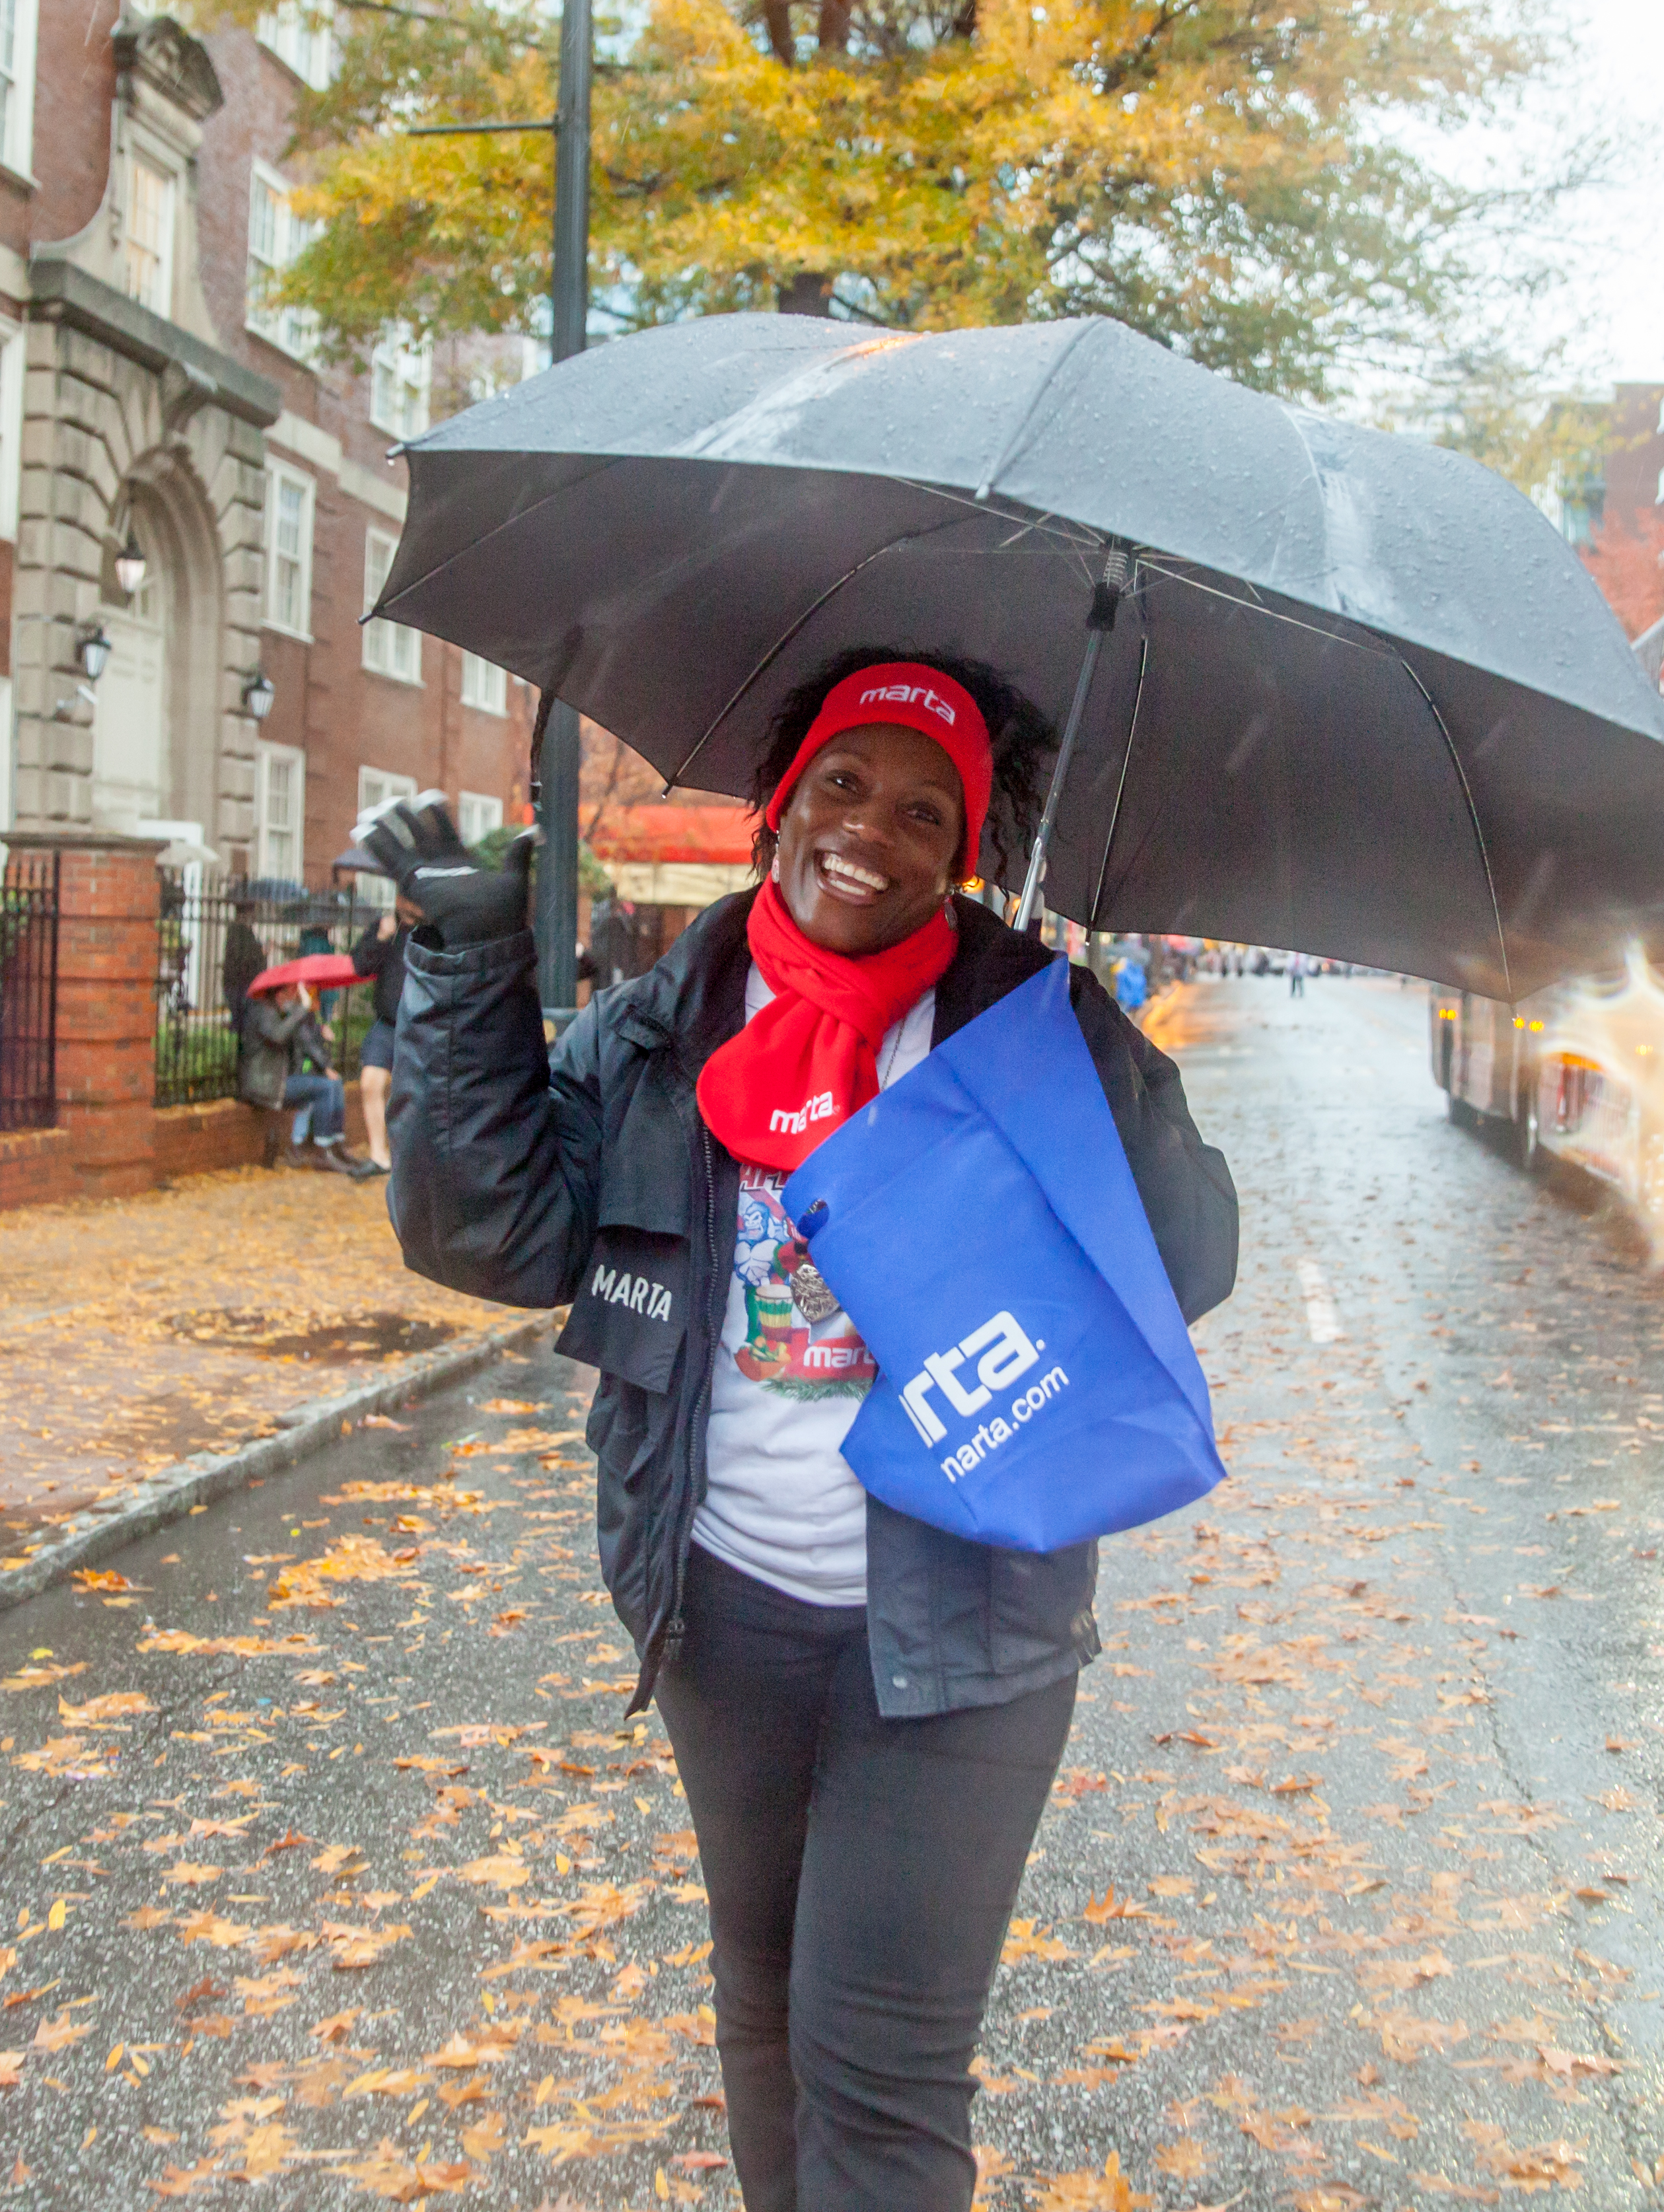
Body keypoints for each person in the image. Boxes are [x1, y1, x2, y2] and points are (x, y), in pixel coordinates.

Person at [366, 652, 1236, 2211]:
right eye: (842, 782)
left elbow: (1193, 1264)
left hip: (964, 1629)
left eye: (923, 809)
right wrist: (461, 963)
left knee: (884, 2074)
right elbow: (485, 1235)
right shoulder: (667, 1024)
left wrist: (1093, 1060)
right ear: (778, 805)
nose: (870, 830)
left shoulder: (1018, 1021)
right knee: (762, 2009)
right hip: (723, 1612)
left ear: (960, 851)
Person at [238, 979, 376, 1177]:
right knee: (325, 1089)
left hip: (278, 1081)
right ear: (280, 993)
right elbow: (278, 1035)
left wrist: (318, 1028)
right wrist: (302, 1009)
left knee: (334, 1084)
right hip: (266, 1086)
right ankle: (322, 1151)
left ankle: (336, 1146)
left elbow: (303, 1037)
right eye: (293, 992)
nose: (296, 996)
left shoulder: (280, 1012)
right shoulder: (263, 1012)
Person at [349, 894, 419, 1174]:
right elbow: (359, 966)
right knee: (370, 1083)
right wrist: (380, 937)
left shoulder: (433, 933)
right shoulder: (386, 928)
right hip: (388, 1023)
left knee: (416, 1093)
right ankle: (379, 1156)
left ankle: (415, 1159)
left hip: (420, 1026)